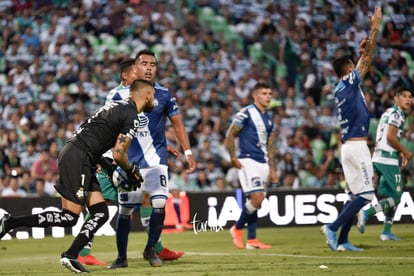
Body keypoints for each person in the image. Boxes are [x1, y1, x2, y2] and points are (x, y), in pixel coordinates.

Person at [0, 78, 154, 273]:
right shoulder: (131, 114)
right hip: (80, 156)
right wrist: (130, 170)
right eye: (153, 96)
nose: (154, 100)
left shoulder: (116, 106)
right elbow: (118, 153)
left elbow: (94, 137)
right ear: (147, 94)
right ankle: (18, 226)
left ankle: (65, 251)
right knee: (70, 216)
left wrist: (109, 167)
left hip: (81, 155)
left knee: (99, 213)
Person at [78, 58, 186, 266]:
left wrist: (164, 146)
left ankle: (157, 248)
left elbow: (141, 130)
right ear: (126, 76)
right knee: (101, 205)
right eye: (136, 71)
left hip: (134, 158)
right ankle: (83, 250)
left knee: (147, 198)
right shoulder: (117, 96)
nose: (142, 74)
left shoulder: (139, 98)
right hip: (113, 160)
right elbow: (109, 127)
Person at [108, 49, 196, 268]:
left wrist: (188, 152)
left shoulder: (164, 94)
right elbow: (108, 128)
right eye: (143, 63)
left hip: (156, 162)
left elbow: (177, 124)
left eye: (152, 64)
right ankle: (122, 257)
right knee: (125, 211)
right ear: (135, 67)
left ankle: (151, 249)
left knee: (159, 203)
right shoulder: (117, 95)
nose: (148, 67)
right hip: (130, 164)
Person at [320, 6, 382, 252]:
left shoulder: (340, 87)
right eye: (352, 66)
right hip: (357, 147)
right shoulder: (348, 81)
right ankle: (333, 227)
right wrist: (375, 28)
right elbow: (366, 61)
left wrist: (366, 49)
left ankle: (344, 241)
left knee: (355, 195)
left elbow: (364, 58)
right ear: (348, 69)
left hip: (349, 146)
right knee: (366, 195)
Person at [225, 82, 278, 250]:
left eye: (269, 93)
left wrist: (272, 167)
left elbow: (270, 143)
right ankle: (237, 228)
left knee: (256, 202)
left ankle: (252, 239)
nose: (268, 96)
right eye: (264, 93)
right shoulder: (246, 112)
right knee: (257, 198)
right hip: (248, 160)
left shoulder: (269, 117)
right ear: (255, 95)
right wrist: (232, 156)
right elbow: (231, 133)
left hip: (263, 163)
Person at [357, 89, 413, 240]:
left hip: (378, 156)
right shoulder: (397, 114)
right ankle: (366, 213)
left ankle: (386, 231)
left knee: (390, 196)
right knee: (396, 197)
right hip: (387, 160)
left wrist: (399, 151)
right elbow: (390, 136)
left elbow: (386, 136)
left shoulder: (388, 112)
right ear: (396, 98)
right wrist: (405, 151)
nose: (408, 99)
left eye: (410, 97)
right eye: (404, 96)